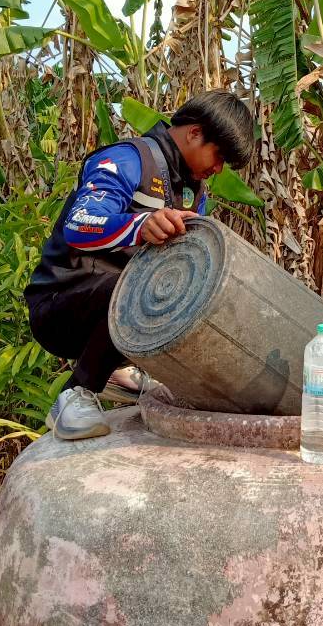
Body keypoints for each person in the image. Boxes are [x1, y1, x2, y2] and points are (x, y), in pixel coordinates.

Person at [25, 90, 255, 440]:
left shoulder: (193, 193)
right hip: (59, 304)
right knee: (139, 289)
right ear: (194, 133)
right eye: (219, 156)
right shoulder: (128, 159)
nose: (218, 169)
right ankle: (74, 396)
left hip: (117, 312)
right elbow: (79, 223)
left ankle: (123, 373)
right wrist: (140, 226)